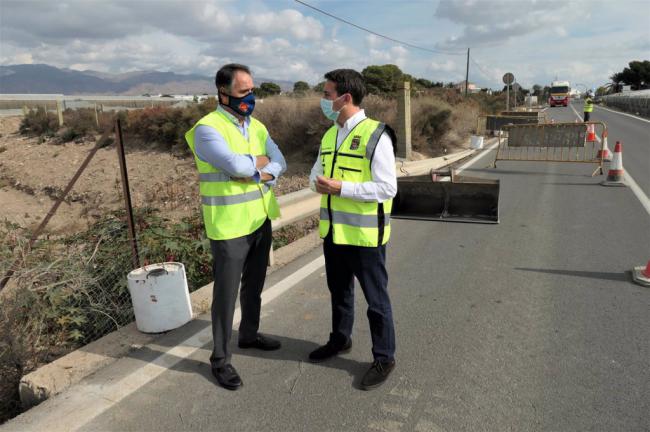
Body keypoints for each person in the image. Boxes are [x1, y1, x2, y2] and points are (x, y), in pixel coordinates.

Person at [184, 63, 286, 391]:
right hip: (228, 226)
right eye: (244, 92)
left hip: (259, 219)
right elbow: (236, 165)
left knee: (254, 286)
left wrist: (257, 168)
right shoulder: (207, 128)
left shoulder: (256, 126)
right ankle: (220, 360)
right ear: (223, 92)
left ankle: (249, 335)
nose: (251, 97)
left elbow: (280, 160)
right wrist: (257, 163)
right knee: (226, 296)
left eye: (252, 90)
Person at [308, 68, 398, 390]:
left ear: (346, 98)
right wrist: (317, 185)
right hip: (333, 233)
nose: (324, 100)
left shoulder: (377, 135)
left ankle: (384, 357)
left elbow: (388, 188)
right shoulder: (330, 134)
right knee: (340, 293)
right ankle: (340, 339)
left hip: (364, 237)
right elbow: (314, 174)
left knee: (376, 300)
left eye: (328, 94)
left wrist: (341, 188)